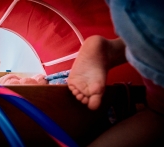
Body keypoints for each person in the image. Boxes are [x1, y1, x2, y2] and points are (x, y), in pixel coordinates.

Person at [67, 0, 164, 146]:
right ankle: (115, 50)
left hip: (131, 12)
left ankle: (116, 50)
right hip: (141, 15)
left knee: (160, 114)